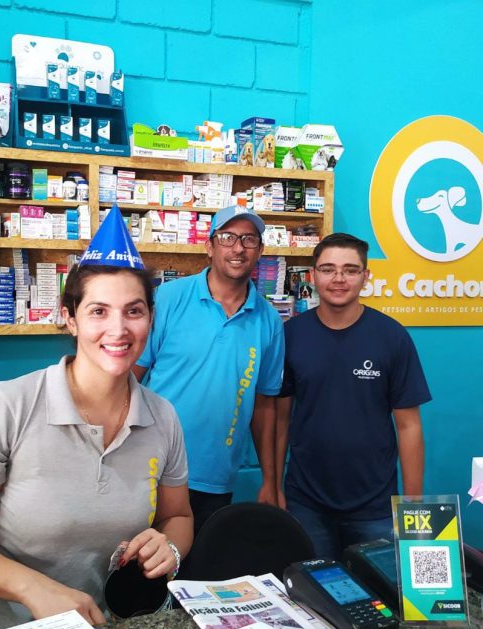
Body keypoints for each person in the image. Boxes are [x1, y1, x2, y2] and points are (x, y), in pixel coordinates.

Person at [0, 205, 193, 629]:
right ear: (69, 318)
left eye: (134, 311)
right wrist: (34, 589)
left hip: (106, 628)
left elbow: (178, 516)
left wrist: (171, 547)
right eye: (99, 311)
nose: (119, 329)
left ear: (150, 318)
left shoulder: (163, 417)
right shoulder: (9, 405)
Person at [276, 233, 431, 559]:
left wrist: (412, 504)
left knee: (381, 590)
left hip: (375, 507)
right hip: (306, 503)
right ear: (313, 275)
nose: (339, 278)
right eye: (328, 269)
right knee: (312, 590)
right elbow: (279, 418)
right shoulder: (292, 335)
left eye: (350, 270)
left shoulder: (392, 337)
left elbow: (409, 426)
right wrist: (273, 482)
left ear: (365, 276)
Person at [134, 205, 285, 534]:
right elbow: (131, 376)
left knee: (199, 562)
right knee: (141, 561)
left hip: (216, 476)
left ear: (260, 250)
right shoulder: (169, 297)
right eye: (228, 237)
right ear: (210, 246)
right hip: (152, 468)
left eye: (248, 239)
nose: (238, 248)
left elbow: (264, 406)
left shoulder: (269, 320)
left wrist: (270, 481)